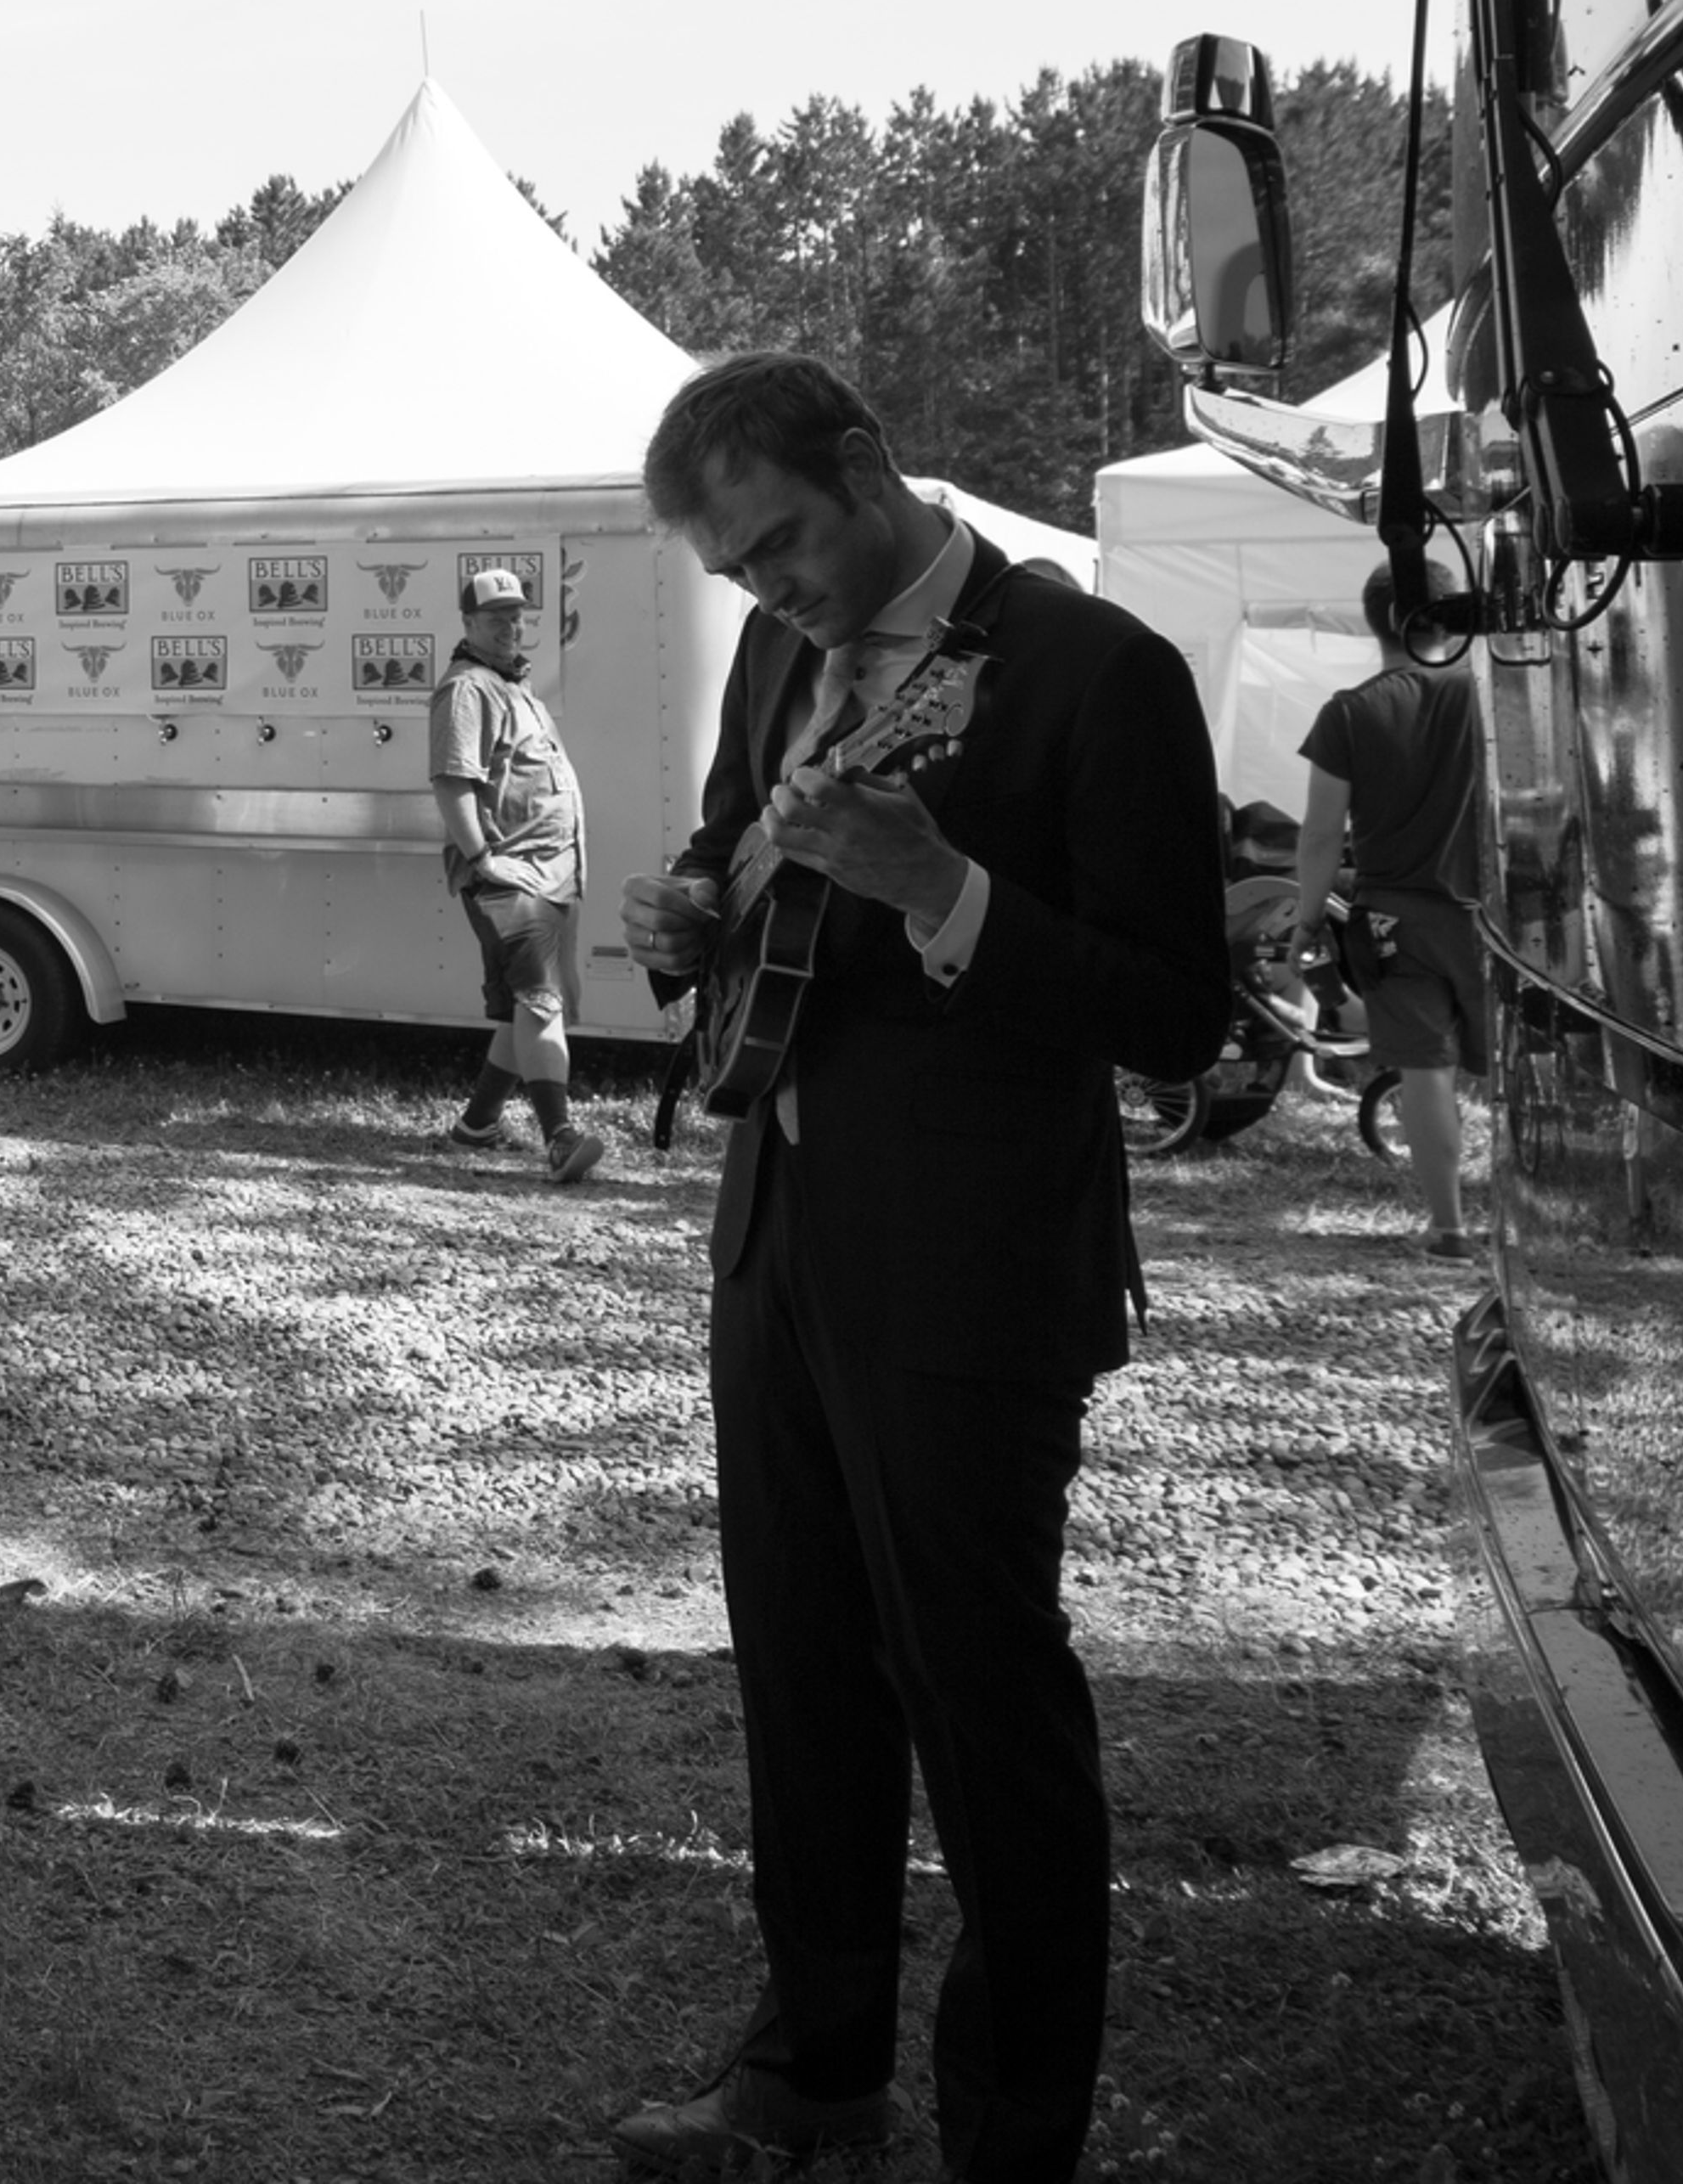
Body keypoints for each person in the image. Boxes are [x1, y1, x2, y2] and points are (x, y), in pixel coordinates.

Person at [607, 356, 1224, 2184]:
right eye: (736, 571)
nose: (768, 590)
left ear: (868, 466)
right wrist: (684, 915)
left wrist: (946, 893)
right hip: (777, 1240)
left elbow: (1179, 1012)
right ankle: (812, 2071)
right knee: (801, 1673)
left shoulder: (1096, 673)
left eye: (782, 543)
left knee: (983, 1699)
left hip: (970, 1277)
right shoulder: (778, 661)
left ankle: (1011, 2137)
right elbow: (734, 871)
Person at [1294, 563, 1489, 1258]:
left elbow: (1320, 835)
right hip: (1494, 922)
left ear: (1374, 620)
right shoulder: (1490, 697)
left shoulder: (1349, 713)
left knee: (1426, 1073)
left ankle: (1449, 1229)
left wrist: (1306, 920)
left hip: (1393, 924)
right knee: (1535, 1075)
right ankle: (1543, 1224)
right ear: (1455, 618)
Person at [431, 562, 608, 1185]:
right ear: (469, 622)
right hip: (513, 876)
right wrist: (482, 859)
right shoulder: (468, 689)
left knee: (518, 1008)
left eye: (517, 614)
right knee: (540, 1001)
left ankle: (477, 1124)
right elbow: (454, 781)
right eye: (497, 615)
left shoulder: (512, 685)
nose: (511, 624)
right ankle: (559, 1137)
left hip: (547, 872)